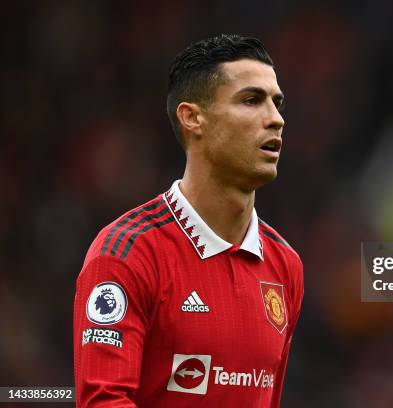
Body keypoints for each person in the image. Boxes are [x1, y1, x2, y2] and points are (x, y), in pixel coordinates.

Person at [73, 34, 304, 407]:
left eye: (277, 103)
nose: (275, 119)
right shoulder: (126, 254)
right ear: (193, 118)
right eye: (251, 100)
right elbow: (103, 400)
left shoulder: (285, 265)